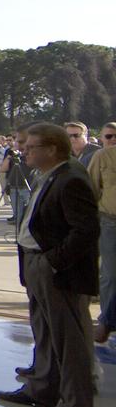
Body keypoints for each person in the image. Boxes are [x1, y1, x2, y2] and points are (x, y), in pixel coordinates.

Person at [0, 123, 100, 407]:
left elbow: (85, 230)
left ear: (52, 149)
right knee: (45, 333)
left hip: (56, 271)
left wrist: (53, 262)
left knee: (68, 340)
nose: (25, 151)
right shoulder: (50, 175)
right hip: (37, 264)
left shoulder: (71, 179)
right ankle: (43, 390)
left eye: (32, 147)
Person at [89, 122, 116, 343]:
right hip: (111, 222)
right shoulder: (103, 157)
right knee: (111, 274)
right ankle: (106, 320)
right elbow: (91, 188)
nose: (113, 140)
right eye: (109, 136)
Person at [0, 130, 32, 226]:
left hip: (26, 185)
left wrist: (23, 154)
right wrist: (10, 155)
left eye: (14, 140)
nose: (12, 142)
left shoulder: (28, 151)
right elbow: (3, 169)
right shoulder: (9, 152)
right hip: (13, 185)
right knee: (17, 214)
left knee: (28, 214)